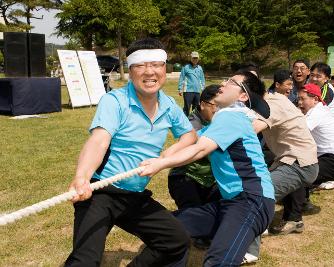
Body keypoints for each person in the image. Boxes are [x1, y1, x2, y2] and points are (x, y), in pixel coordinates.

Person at [65, 38, 197, 267]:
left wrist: (163, 159)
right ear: (130, 70)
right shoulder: (114, 100)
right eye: (140, 66)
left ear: (165, 68)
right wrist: (82, 177)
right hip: (100, 192)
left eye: (156, 64)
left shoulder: (169, 105)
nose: (149, 72)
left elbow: (189, 136)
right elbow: (99, 140)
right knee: (85, 260)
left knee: (176, 241)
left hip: (134, 196)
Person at [140, 72, 275, 267]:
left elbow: (200, 149)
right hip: (230, 201)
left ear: (243, 96)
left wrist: (160, 165)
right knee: (170, 230)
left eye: (230, 82)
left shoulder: (233, 117)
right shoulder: (224, 118)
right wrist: (160, 157)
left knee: (218, 261)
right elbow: (193, 140)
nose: (223, 83)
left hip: (252, 200)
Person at [249, 75, 319, 235]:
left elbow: (249, 131)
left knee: (257, 194)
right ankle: (290, 220)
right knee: (271, 179)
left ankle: (251, 241)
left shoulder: (271, 105)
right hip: (291, 159)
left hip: (300, 163)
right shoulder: (275, 98)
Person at [168, 84, 221, 210]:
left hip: (209, 181)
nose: (219, 110)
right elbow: (202, 149)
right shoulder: (192, 124)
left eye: (223, 106)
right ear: (203, 105)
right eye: (216, 105)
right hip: (186, 178)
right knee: (193, 215)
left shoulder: (219, 121)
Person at [297, 83, 334, 191]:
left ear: (315, 99)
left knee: (298, 174)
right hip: (333, 158)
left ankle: (299, 205)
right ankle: (301, 202)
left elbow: (299, 131)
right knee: (300, 170)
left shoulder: (317, 111)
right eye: (298, 99)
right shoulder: (319, 109)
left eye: (303, 99)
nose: (299, 102)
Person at [309, 62, 334, 128]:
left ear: (326, 78)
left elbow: (315, 108)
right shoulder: (311, 86)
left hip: (330, 127)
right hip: (318, 122)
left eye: (318, 76)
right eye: (312, 75)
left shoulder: (328, 90)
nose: (314, 78)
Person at [178, 51, 206, 116]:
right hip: (188, 91)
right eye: (193, 58)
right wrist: (180, 89)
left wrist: (203, 88)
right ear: (191, 58)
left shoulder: (200, 68)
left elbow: (202, 79)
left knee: (196, 108)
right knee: (187, 108)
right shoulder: (186, 67)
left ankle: (194, 121)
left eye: (196, 58)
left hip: (197, 91)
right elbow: (181, 78)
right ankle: (185, 121)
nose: (195, 59)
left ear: (198, 59)